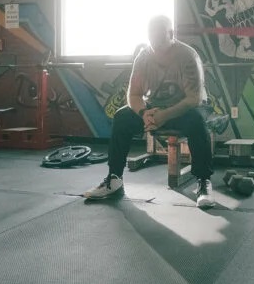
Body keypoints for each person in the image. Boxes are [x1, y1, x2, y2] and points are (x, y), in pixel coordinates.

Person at [82, 14, 215, 208]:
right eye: (151, 36)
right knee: (122, 117)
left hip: (184, 110)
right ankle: (114, 178)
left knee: (196, 120)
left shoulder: (187, 56)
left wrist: (164, 116)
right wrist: (145, 113)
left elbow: (192, 99)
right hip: (154, 110)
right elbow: (134, 95)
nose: (155, 42)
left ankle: (203, 181)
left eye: (159, 36)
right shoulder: (143, 57)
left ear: (171, 33)